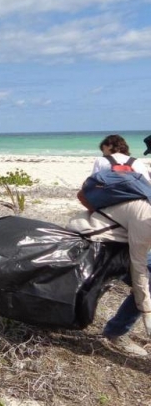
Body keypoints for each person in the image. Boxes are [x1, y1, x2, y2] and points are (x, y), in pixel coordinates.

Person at [90, 135, 151, 356]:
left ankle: (116, 331)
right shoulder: (138, 165)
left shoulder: (103, 162)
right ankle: (115, 333)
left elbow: (90, 190)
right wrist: (147, 313)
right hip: (116, 233)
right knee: (143, 277)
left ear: (108, 146)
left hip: (118, 226)